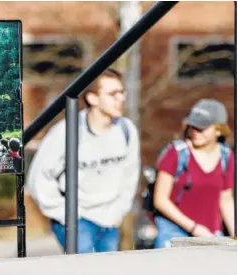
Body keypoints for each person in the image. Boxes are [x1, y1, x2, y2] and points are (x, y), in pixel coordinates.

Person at [27, 69, 140, 253]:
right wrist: (65, 214)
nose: (120, 98)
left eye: (122, 92)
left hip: (111, 219)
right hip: (77, 219)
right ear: (92, 98)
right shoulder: (66, 131)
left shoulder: (126, 130)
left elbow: (130, 175)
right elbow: (38, 178)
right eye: (112, 94)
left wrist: (119, 210)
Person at [153, 99, 235, 248]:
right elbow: (160, 200)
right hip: (173, 234)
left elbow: (226, 201)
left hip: (211, 235)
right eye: (192, 126)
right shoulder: (176, 153)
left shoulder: (226, 157)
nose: (194, 132)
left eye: (201, 128)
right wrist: (194, 228)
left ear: (218, 130)